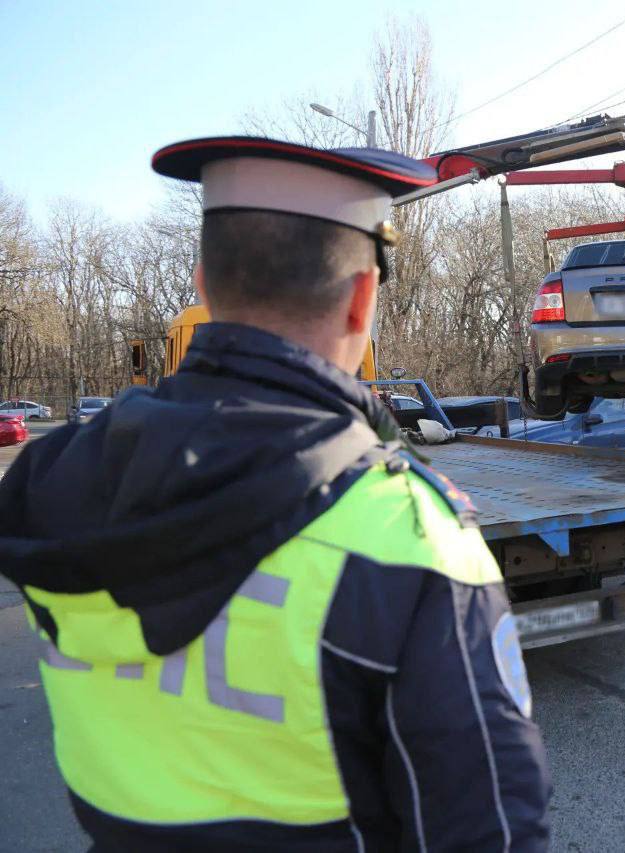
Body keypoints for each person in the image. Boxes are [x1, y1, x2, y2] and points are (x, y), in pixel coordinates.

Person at [0, 137, 550, 851]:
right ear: (363, 299)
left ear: (202, 280)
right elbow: (491, 831)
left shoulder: (54, 477)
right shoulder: (406, 530)